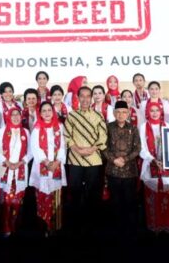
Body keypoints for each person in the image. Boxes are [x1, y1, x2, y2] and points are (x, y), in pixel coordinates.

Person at [64, 86, 107, 235]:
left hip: (94, 159)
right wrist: (77, 149)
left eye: (88, 96)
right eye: (82, 96)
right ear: (77, 97)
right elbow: (67, 136)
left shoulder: (98, 116)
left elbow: (103, 137)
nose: (85, 99)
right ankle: (76, 224)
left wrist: (91, 149)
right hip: (75, 159)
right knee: (75, 192)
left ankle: (92, 224)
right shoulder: (72, 116)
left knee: (93, 193)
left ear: (91, 98)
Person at [139, 100, 169, 234]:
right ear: (148, 112)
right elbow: (142, 147)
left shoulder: (168, 125)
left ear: (161, 112)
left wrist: (166, 160)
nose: (155, 113)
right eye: (152, 111)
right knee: (152, 197)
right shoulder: (143, 126)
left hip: (167, 166)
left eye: (157, 110)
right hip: (150, 164)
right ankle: (155, 226)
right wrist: (153, 159)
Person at [0, 106, 32, 237]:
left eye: (18, 114)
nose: (15, 117)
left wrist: (20, 162)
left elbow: (31, 152)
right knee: (3, 199)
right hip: (2, 168)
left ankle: (14, 225)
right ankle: (4, 226)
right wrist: (7, 162)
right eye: (12, 114)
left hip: (20, 168)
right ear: (8, 117)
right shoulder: (3, 130)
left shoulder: (26, 132)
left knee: (17, 201)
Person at [30, 101, 67, 235]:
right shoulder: (37, 128)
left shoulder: (60, 127)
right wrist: (47, 162)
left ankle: (55, 227)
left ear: (53, 112)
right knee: (42, 196)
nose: (47, 113)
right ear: (40, 113)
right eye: (44, 111)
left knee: (55, 197)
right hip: (42, 167)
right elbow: (35, 148)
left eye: (49, 110)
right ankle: (44, 226)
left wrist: (57, 162)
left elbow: (63, 146)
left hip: (57, 166)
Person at [104, 100, 141, 236]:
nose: (121, 115)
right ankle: (116, 231)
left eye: (124, 112)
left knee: (130, 202)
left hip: (129, 171)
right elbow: (103, 147)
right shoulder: (108, 127)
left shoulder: (133, 128)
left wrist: (124, 159)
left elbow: (137, 148)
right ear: (114, 113)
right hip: (112, 171)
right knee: (115, 202)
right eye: (118, 112)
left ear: (128, 113)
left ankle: (130, 231)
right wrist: (114, 160)